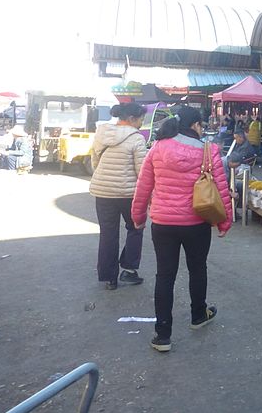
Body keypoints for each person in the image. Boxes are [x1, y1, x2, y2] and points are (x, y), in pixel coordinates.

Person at [131, 106, 232, 353]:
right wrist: (224, 221)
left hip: (163, 224)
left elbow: (143, 185)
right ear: (196, 125)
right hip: (196, 224)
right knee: (197, 269)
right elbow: (220, 189)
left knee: (164, 276)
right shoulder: (209, 151)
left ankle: (162, 335)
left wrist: (138, 216)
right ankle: (198, 314)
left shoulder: (157, 148)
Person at [89, 103, 148, 290]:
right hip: (127, 193)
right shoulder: (137, 139)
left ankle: (109, 278)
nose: (141, 123)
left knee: (108, 234)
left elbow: (95, 159)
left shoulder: (102, 133)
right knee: (136, 228)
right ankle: (129, 269)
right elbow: (142, 171)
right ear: (131, 119)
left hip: (103, 192)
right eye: (140, 119)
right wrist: (149, 195)